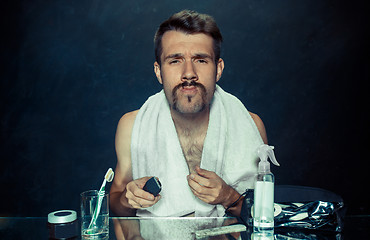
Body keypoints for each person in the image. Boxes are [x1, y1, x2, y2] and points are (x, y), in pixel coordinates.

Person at [110, 10, 268, 220]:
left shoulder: (251, 125)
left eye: (201, 60)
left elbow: (267, 215)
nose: (188, 73)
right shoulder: (132, 126)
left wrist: (228, 197)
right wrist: (127, 199)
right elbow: (117, 205)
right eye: (175, 61)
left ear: (218, 69)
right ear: (159, 71)